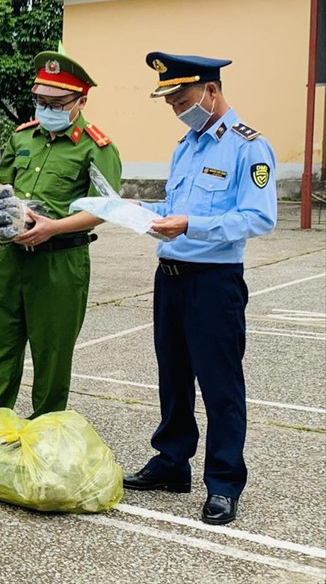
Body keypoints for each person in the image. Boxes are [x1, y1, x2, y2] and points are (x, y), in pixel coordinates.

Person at [0, 51, 121, 457]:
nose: (46, 109)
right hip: (13, 258)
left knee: (52, 354)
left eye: (56, 104)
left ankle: (46, 439)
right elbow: (3, 189)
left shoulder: (96, 147)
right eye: (41, 102)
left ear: (81, 103)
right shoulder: (23, 136)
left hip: (60, 262)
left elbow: (105, 209)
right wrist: (2, 217)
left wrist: (52, 227)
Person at [122, 53, 276, 526]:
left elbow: (258, 217)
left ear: (210, 91)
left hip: (213, 284)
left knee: (220, 386)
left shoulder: (249, 146)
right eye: (170, 100)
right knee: (173, 377)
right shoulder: (186, 145)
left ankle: (225, 483)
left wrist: (192, 224)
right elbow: (174, 203)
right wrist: (140, 210)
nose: (176, 108)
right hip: (170, 280)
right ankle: (172, 463)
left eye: (182, 98)